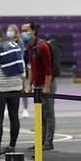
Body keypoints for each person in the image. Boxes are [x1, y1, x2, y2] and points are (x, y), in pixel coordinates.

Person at [21, 21, 56, 150]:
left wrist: (47, 86)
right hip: (37, 84)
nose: (23, 33)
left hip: (47, 83)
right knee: (40, 115)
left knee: (48, 113)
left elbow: (48, 69)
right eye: (22, 30)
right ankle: (40, 140)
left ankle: (48, 141)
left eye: (26, 30)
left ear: (33, 31)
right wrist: (29, 84)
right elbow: (30, 67)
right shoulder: (29, 47)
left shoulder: (42, 46)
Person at [0, 28, 25, 154]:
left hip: (1, 87)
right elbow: (22, 66)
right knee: (14, 116)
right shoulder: (14, 45)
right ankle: (12, 145)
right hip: (16, 86)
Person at [6, 24, 28, 118]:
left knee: (22, 88)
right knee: (7, 88)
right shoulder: (6, 42)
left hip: (18, 66)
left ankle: (25, 109)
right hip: (8, 67)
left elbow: (21, 55)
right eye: (8, 30)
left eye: (11, 30)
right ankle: (7, 107)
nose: (9, 32)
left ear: (15, 32)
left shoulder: (20, 41)